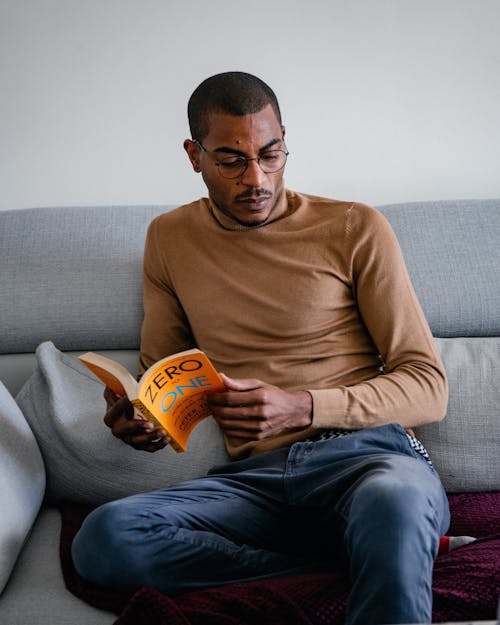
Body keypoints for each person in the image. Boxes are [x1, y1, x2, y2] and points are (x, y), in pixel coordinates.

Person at [71, 71, 450, 625]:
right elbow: (163, 374)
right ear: (193, 155)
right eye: (231, 160)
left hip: (371, 462)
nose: (257, 179)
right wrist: (143, 417)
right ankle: (351, 558)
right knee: (104, 538)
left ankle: (384, 541)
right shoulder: (168, 238)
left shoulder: (354, 226)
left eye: (271, 154)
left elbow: (429, 385)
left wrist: (302, 405)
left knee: (393, 503)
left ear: (284, 140)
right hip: (258, 482)